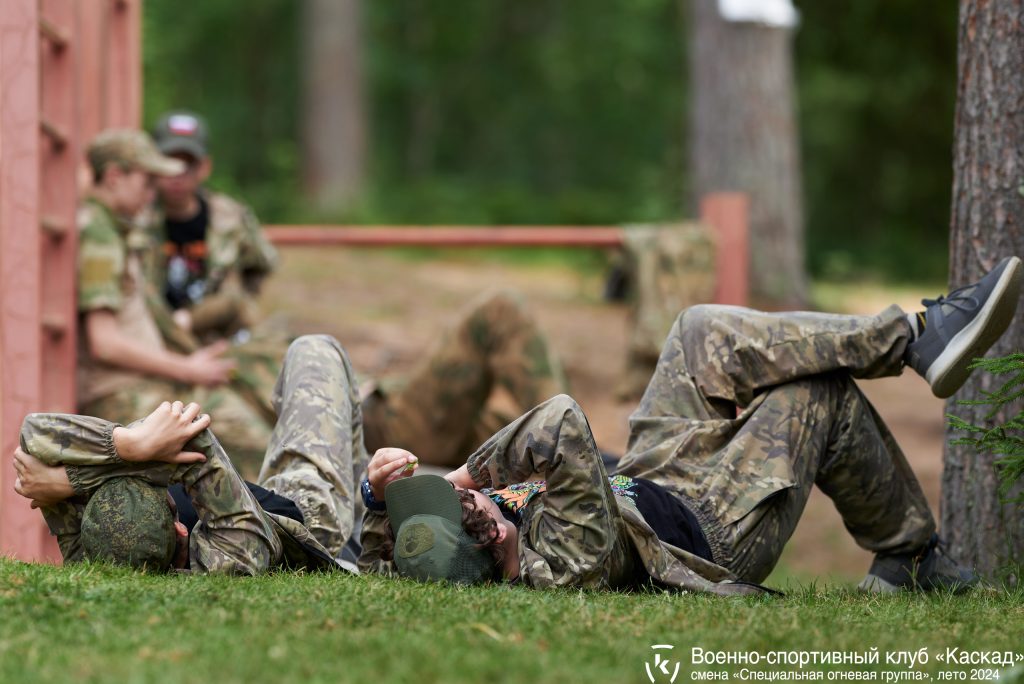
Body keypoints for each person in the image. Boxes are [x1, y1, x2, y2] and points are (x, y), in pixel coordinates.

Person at [358, 256, 1023, 594]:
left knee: (698, 329)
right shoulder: (562, 557)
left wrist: (376, 492)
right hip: (712, 527)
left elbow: (379, 551)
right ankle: (910, 556)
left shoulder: (459, 554)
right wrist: (467, 471)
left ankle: (915, 336)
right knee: (817, 393)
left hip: (650, 476)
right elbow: (558, 420)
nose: (463, 495)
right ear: (493, 533)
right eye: (465, 503)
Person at [15, 335, 367, 574]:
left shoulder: (91, 557)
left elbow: (35, 438)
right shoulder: (234, 552)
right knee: (315, 350)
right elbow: (192, 437)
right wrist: (126, 450)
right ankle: (361, 533)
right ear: (181, 529)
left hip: (262, 498)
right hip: (310, 515)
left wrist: (67, 485)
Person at [76, 129, 275, 475]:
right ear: (113, 177)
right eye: (146, 182)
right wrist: (187, 368)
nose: (153, 193)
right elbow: (103, 342)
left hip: (147, 384)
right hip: (126, 394)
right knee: (257, 449)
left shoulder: (110, 229)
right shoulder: (100, 236)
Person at [360, 290, 568, 468]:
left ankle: (577, 445)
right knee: (499, 308)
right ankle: (574, 445)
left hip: (398, 415)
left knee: (523, 432)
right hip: (386, 424)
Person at [144, 110, 278, 344]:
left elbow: (261, 264)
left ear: (204, 167)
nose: (176, 174)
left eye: (187, 164)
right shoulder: (138, 218)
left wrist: (230, 304)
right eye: (168, 162)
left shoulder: (230, 219)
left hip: (215, 336)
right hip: (152, 336)